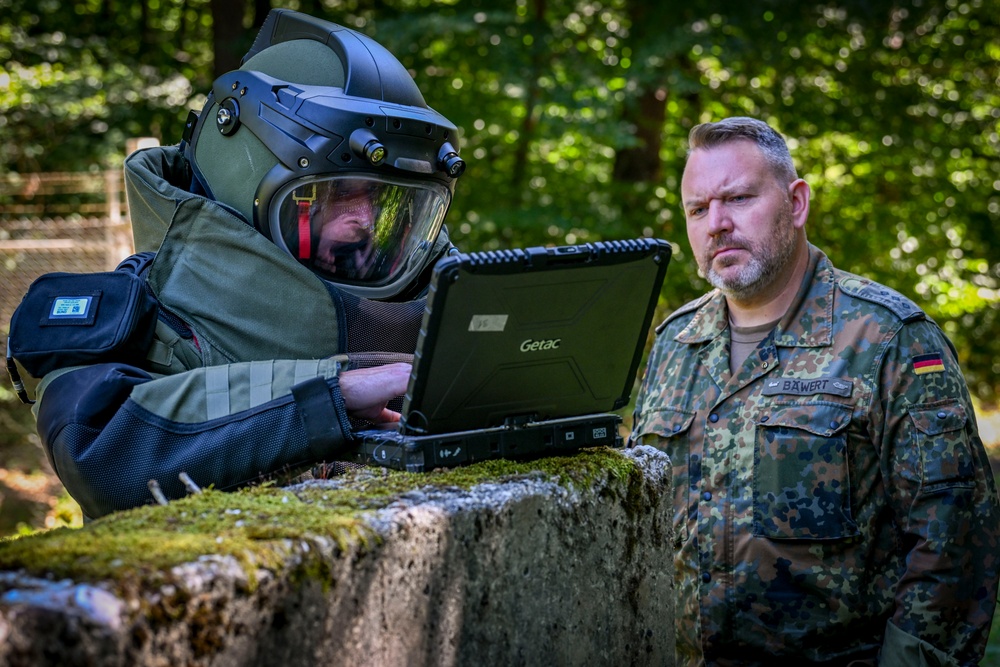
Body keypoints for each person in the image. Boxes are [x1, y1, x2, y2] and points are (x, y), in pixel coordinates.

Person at [26, 9, 466, 519]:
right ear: (245, 182)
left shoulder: (439, 306)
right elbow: (98, 452)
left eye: (387, 201)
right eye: (338, 192)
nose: (364, 221)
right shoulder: (144, 319)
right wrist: (331, 396)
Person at [629, 116, 1000, 666]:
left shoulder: (887, 337)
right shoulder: (673, 345)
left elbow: (953, 544)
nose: (717, 224)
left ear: (796, 203)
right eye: (697, 209)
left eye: (738, 198)